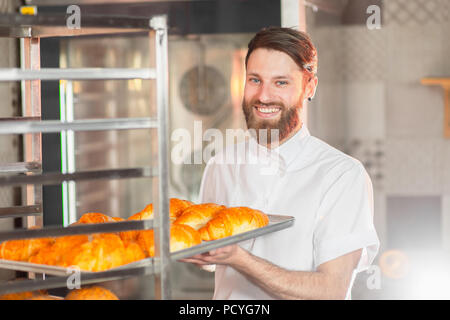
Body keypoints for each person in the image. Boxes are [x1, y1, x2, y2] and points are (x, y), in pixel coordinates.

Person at [181, 26, 380, 300]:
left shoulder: (342, 175)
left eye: (281, 82)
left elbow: (331, 291)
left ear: (309, 86)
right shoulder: (221, 164)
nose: (263, 96)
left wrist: (240, 258)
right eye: (255, 80)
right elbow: (210, 257)